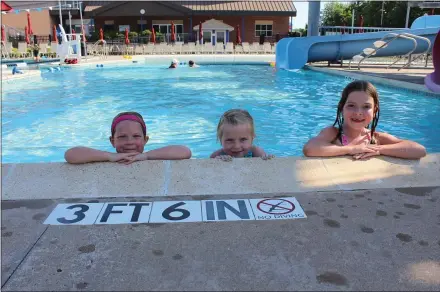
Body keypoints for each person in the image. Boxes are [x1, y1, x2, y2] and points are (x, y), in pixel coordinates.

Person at [303, 80, 426, 160]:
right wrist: (352, 149)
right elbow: (310, 148)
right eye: (351, 105)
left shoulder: (375, 138)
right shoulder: (333, 133)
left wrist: (378, 149)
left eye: (366, 107)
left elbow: (419, 150)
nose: (358, 113)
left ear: (375, 110)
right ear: (342, 108)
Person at [65, 111, 192, 164]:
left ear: (145, 140)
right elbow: (70, 154)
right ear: (112, 141)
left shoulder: (150, 156)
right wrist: (110, 156)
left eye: (136, 136)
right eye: (122, 137)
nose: (129, 142)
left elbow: (184, 151)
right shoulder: (109, 157)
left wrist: (146, 156)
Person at [210, 109, 274, 161]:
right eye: (229, 140)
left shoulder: (256, 153)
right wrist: (217, 162)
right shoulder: (216, 155)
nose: (236, 146)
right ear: (220, 140)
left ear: (252, 138)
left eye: (243, 139)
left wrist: (267, 158)